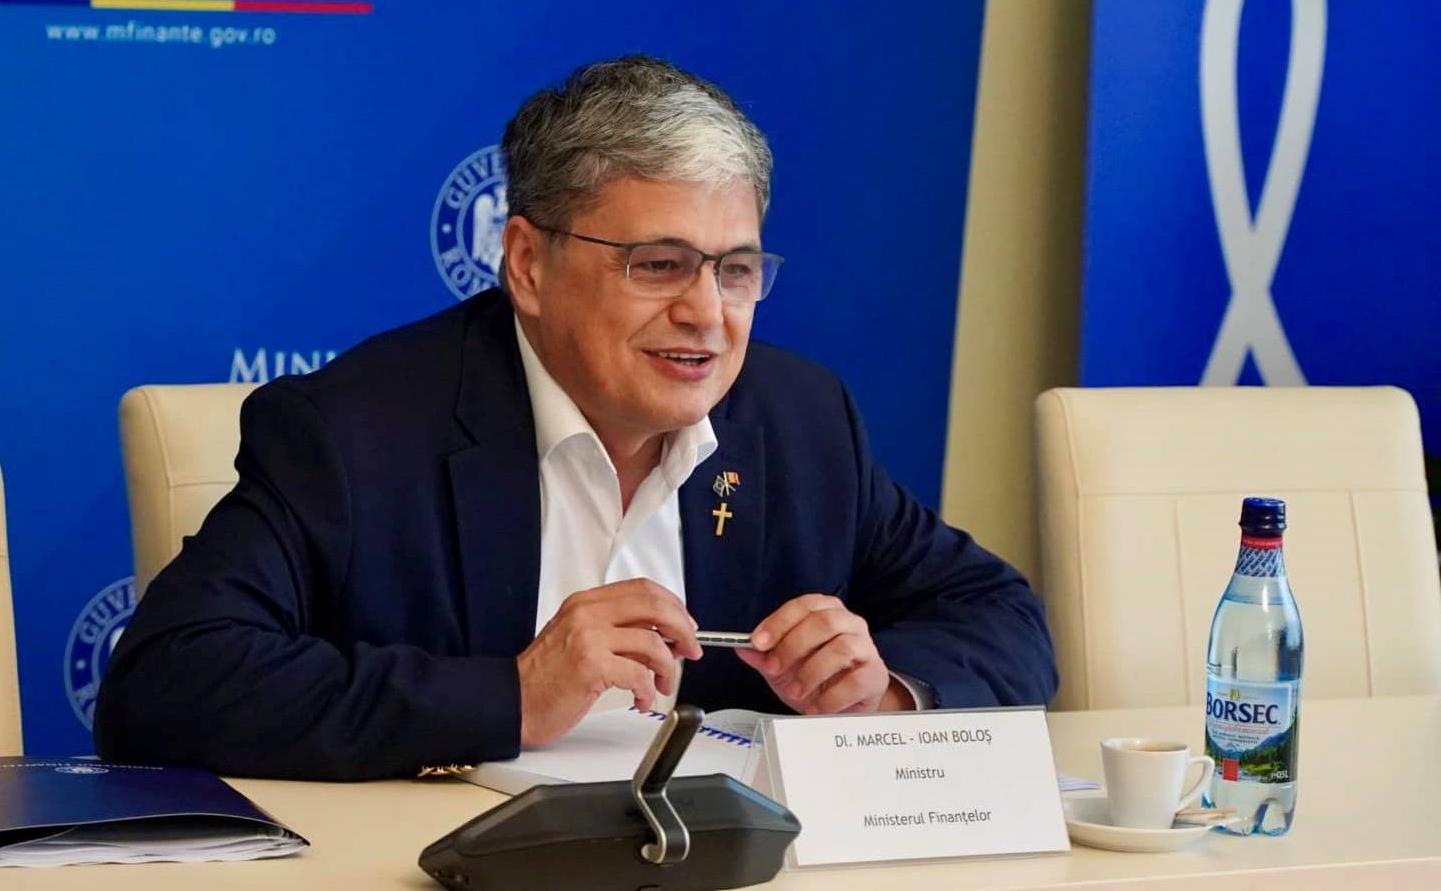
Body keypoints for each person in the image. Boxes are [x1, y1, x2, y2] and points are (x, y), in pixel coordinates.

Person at [95, 55, 1056, 780]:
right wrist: (513, 694)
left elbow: (1002, 617)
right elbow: (167, 683)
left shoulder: (800, 422)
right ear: (528, 265)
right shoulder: (353, 434)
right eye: (659, 265)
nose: (708, 314)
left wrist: (883, 688)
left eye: (735, 270)